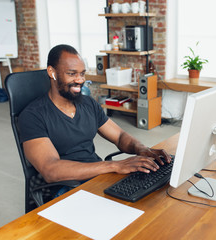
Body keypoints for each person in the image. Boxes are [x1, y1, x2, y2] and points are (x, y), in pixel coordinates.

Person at [18, 44, 171, 186]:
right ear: (52, 72)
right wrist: (114, 165)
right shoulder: (33, 116)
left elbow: (119, 136)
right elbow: (50, 170)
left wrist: (141, 149)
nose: (80, 80)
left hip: (97, 177)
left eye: (82, 74)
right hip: (65, 187)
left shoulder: (87, 104)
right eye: (72, 74)